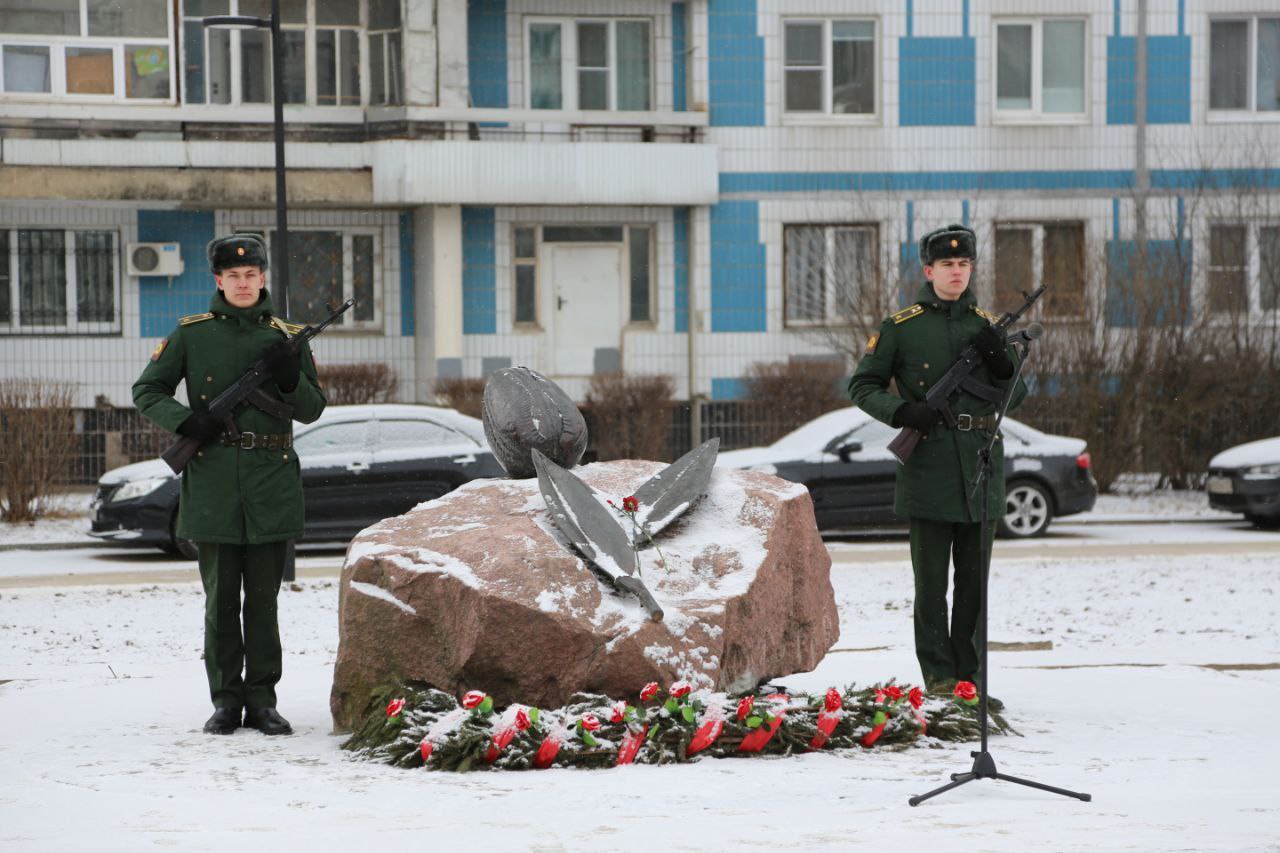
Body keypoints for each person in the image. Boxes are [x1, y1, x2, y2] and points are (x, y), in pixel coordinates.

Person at [133, 234, 326, 735]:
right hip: (214, 480)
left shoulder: (288, 338)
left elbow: (311, 410)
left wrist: (289, 378)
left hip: (270, 483)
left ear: (263, 278)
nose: (243, 283)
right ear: (218, 280)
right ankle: (225, 701)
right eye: (233, 276)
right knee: (220, 603)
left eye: (251, 275)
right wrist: (186, 421)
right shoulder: (192, 334)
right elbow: (147, 390)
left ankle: (262, 702)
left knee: (263, 603)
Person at [847, 224, 1026, 708]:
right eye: (947, 264)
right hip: (928, 467)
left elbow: (1017, 396)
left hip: (980, 466)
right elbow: (862, 385)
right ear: (929, 271)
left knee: (974, 587)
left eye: (964, 264)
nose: (957, 272)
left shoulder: (987, 327)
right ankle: (940, 679)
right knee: (931, 588)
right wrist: (903, 412)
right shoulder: (902, 327)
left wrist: (1003, 364)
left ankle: (971, 682)